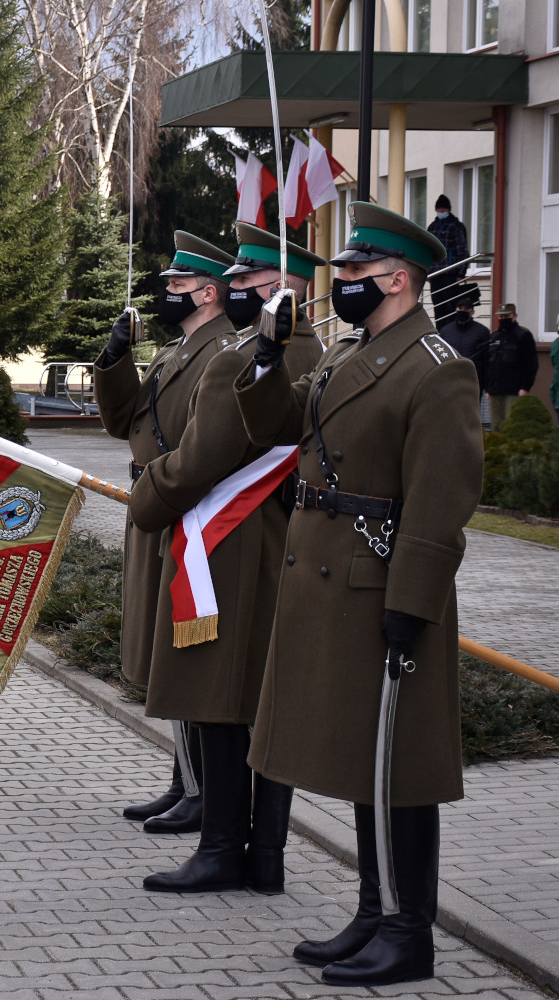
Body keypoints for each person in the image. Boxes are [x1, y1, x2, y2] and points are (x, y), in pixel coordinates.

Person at [234, 203, 482, 987]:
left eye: (352, 275)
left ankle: (410, 932)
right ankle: (374, 913)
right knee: (363, 757)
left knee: (399, 763)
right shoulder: (352, 354)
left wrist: (412, 600)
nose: (337, 285)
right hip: (333, 579)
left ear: (399, 280)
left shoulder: (438, 366)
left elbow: (443, 497)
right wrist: (269, 357)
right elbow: (282, 428)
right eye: (341, 274)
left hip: (384, 584)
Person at [129, 223, 326, 895]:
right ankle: (262, 856)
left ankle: (219, 849)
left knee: (218, 700)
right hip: (277, 545)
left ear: (278, 287)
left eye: (244, 280)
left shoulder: (246, 357)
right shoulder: (317, 352)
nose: (232, 288)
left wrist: (147, 498)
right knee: (263, 706)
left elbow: (204, 456)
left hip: (225, 547)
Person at [95, 232, 237, 836]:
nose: (167, 294)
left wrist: (158, 493)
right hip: (153, 501)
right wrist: (115, 356)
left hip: (181, 508)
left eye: (178, 286)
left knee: (182, 643)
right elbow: (121, 420)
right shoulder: (178, 350)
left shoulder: (220, 351)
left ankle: (200, 789)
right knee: (162, 642)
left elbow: (204, 444)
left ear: (208, 293)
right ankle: (184, 779)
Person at [485, 303, 538, 431]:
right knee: (496, 426)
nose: (503, 319)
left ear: (515, 316)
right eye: (501, 316)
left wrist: (525, 387)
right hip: (495, 389)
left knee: (512, 425)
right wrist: (488, 388)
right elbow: (489, 364)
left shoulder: (523, 335)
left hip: (514, 390)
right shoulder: (494, 337)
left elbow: (531, 363)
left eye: (507, 316)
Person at [436, 283, 488, 397]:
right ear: (456, 309)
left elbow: (487, 360)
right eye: (460, 308)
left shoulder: (482, 331)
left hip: (473, 380)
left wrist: (486, 384)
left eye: (466, 309)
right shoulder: (445, 331)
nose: (462, 311)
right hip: (450, 379)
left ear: (472, 312)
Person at [426, 195, 468, 323]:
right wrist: (428, 272)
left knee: (450, 306)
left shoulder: (456, 226)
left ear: (448, 210)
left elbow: (462, 250)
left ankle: (449, 333)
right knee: (438, 307)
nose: (441, 212)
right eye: (439, 210)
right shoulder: (432, 227)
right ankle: (440, 332)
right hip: (435, 273)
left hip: (450, 273)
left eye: (443, 210)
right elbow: (428, 250)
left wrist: (461, 272)